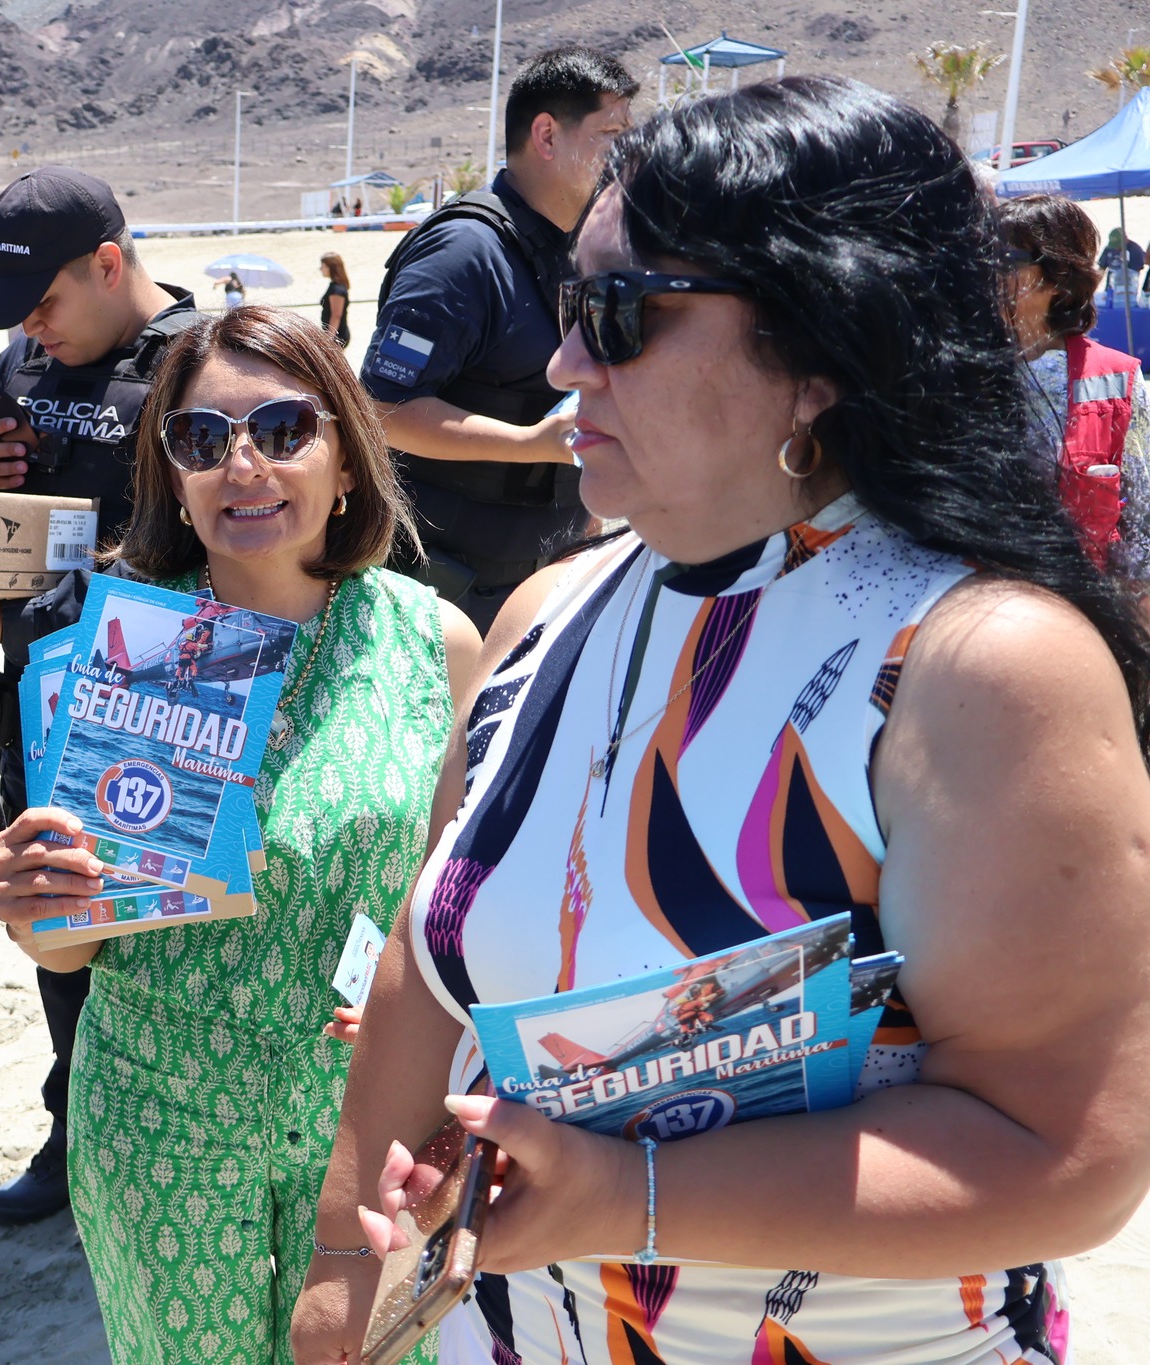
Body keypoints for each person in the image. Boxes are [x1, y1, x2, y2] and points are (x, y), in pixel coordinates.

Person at [291, 77, 1150, 1365]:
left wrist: (627, 1198)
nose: (559, 363)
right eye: (567, 305)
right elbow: (426, 956)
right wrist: (343, 1260)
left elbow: (1063, 1155)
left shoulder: (974, 663)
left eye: (615, 314)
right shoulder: (543, 614)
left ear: (814, 355)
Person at [0, 306, 481, 1363]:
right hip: (160, 1121)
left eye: (283, 429)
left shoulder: (434, 643)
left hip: (369, 1114)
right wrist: (34, 905)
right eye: (202, 439)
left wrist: (427, 1024)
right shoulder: (131, 649)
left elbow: (455, 903)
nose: (242, 464)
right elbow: (70, 946)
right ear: (173, 476)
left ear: (345, 459)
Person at [0, 165, 209, 1224]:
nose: (32, 326)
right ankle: (77, 1134)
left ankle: (183, 1142)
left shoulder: (201, 361)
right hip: (39, 691)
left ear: (109, 264)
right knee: (60, 929)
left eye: (46, 300)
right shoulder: (24, 360)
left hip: (167, 698)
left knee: (173, 937)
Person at [363, 46, 635, 631]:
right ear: (547, 135)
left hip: (547, 580)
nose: (626, 155)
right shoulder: (463, 254)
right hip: (444, 594)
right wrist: (531, 444)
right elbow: (381, 410)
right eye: (611, 135)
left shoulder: (578, 249)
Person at [1000, 194, 1150, 578]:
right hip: (985, 602)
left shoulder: (1116, 377)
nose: (987, 273)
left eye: (1006, 260)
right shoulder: (957, 374)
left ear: (1058, 277)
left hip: (1086, 599)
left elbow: (1143, 520)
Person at [1097, 229, 1144, 306]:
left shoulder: (1135, 250)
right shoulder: (1108, 248)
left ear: (1125, 239)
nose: (1116, 248)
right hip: (1110, 290)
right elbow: (1101, 269)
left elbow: (1134, 275)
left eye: (1118, 245)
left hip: (1125, 293)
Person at [319, 253, 352, 349]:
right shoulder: (335, 286)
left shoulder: (337, 290)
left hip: (337, 335)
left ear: (331, 268)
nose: (321, 269)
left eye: (323, 266)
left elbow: (336, 315)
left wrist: (329, 338)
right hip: (335, 334)